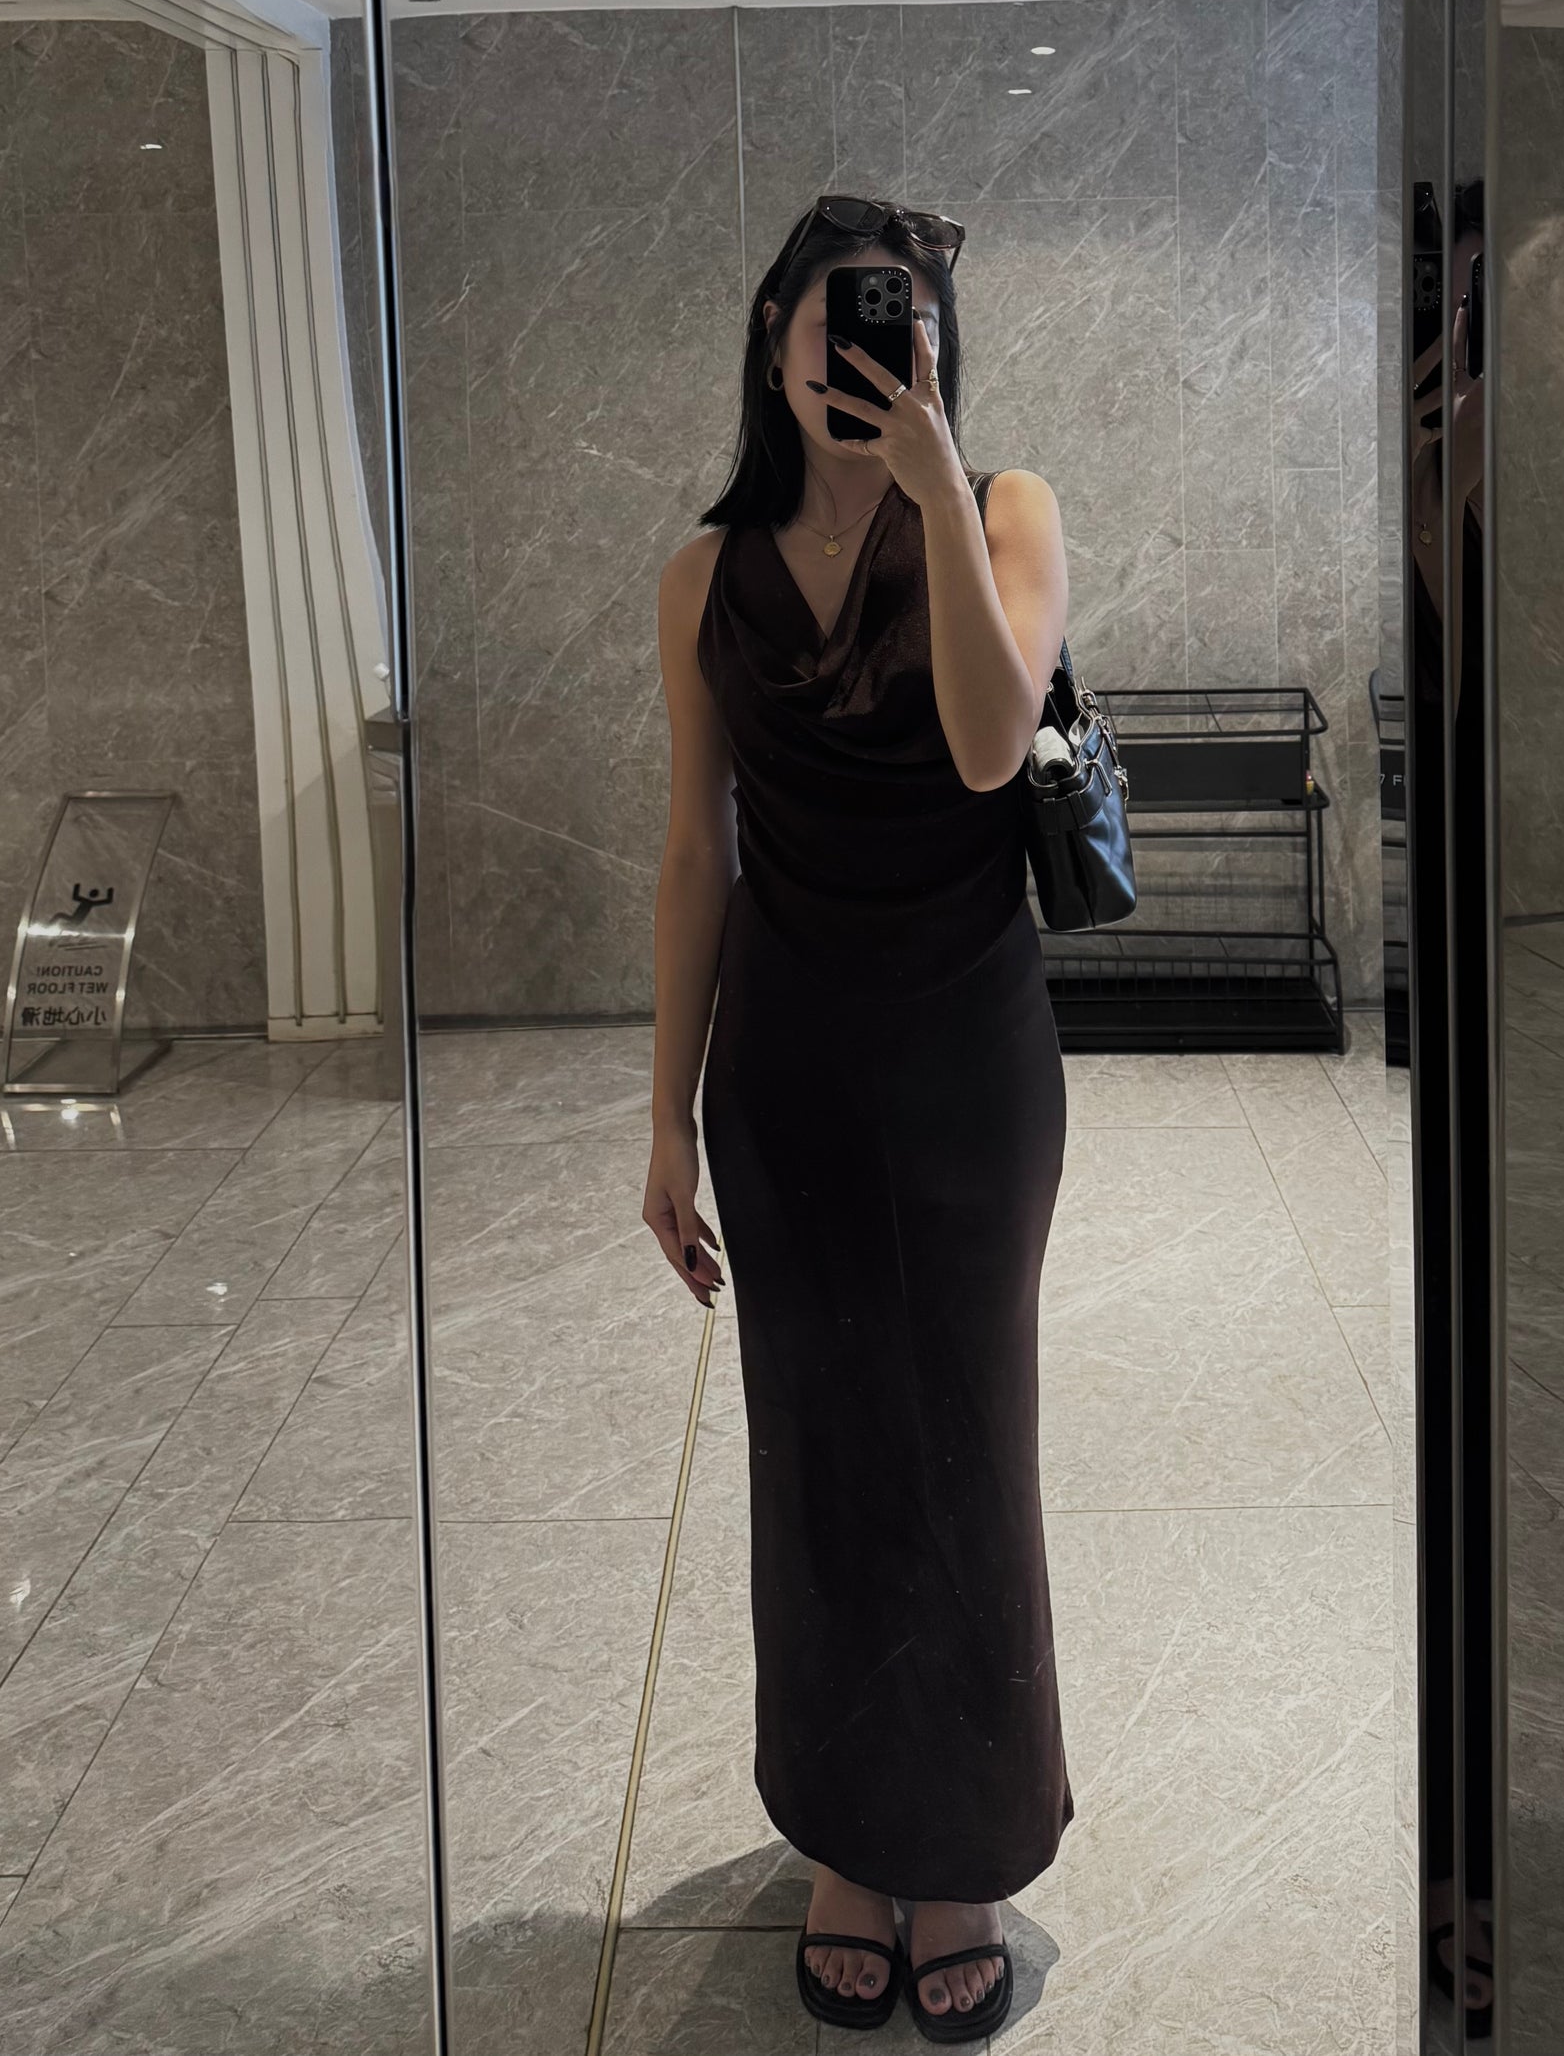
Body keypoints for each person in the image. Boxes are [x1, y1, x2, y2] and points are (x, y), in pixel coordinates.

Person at [643, 193, 1074, 2039]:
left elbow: (987, 742)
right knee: (815, 1447)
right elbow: (695, 850)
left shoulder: (1005, 511)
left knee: (965, 1439)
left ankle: (960, 1837)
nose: (870, 345)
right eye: (837, 316)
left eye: (903, 317)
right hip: (788, 1068)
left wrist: (933, 487)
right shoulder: (703, 576)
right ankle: (840, 1831)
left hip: (970, 1056)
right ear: (771, 340)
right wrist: (664, 1120)